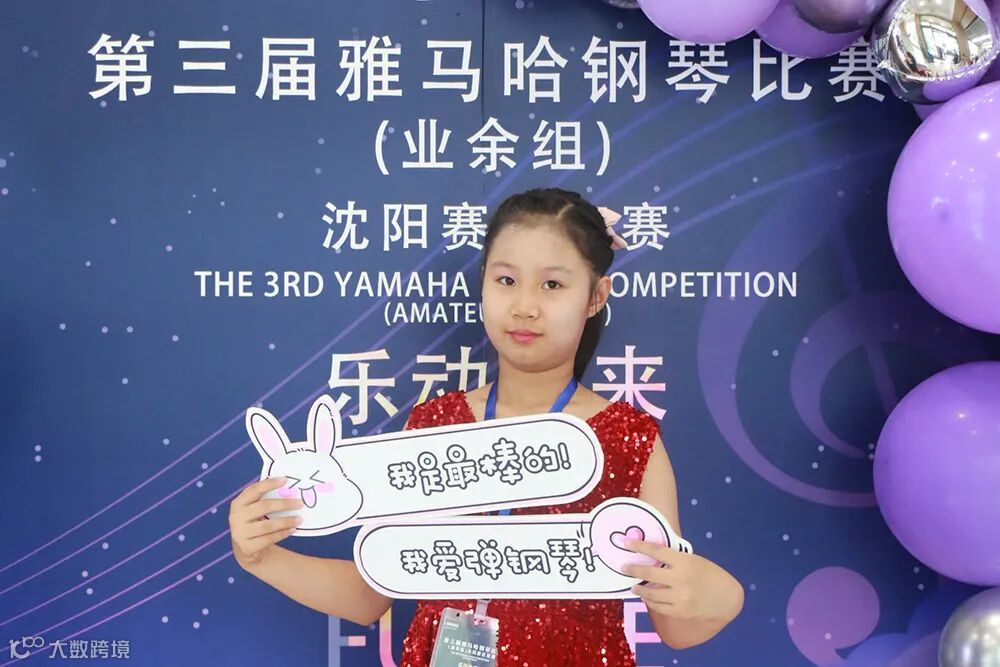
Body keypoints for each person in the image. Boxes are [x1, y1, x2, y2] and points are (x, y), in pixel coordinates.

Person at [229, 187, 744, 665]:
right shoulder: (436, 426)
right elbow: (371, 594)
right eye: (506, 280)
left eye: (552, 284)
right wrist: (261, 558)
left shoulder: (629, 440)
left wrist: (721, 597)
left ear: (595, 296)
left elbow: (675, 624)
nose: (524, 306)